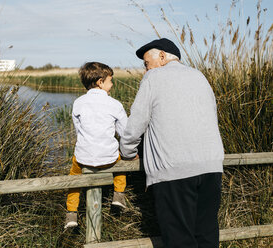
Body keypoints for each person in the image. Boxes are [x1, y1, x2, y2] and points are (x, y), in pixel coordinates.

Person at [120, 38, 224, 248]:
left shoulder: (154, 78)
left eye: (146, 64)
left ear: (162, 56)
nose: (145, 70)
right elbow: (212, 115)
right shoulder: (199, 76)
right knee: (206, 235)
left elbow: (137, 121)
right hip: (211, 167)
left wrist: (128, 152)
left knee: (179, 240)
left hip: (174, 170)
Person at [64, 62, 128, 229]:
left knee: (74, 179)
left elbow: (79, 131)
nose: (112, 84)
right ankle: (119, 195)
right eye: (110, 81)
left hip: (83, 158)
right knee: (121, 164)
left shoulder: (78, 103)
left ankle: (71, 213)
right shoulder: (115, 104)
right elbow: (124, 133)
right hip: (109, 158)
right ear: (100, 82)